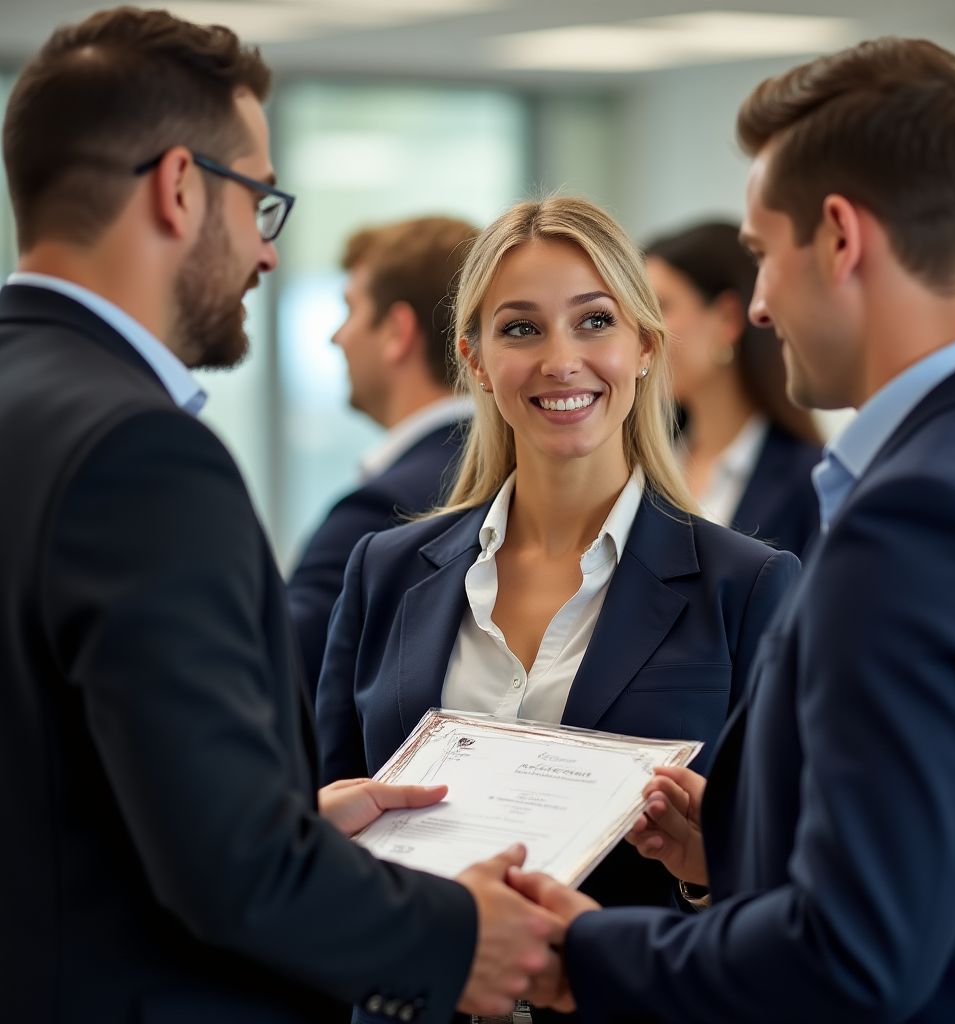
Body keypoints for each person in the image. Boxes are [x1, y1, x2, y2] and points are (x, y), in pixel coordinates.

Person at [0, 9, 561, 1023]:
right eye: (260, 202)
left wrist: (290, 821)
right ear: (179, 187)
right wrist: (458, 935)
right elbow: (232, 871)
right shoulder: (140, 452)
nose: (266, 258)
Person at [508, 36, 955, 1023]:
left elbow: (855, 954)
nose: (754, 305)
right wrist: (745, 841)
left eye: (758, 254)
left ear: (839, 237)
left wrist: (582, 948)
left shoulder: (919, 517)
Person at [314, 196, 800, 1018]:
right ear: (473, 358)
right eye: (521, 329)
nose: (561, 361)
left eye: (594, 321)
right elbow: (311, 831)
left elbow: (790, 896)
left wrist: (706, 864)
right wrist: (316, 831)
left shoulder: (746, 587)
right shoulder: (387, 572)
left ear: (645, 346)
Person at [288, 215, 477, 697]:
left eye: (350, 309)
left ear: (396, 331)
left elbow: (280, 672)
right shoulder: (528, 473)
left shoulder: (381, 512)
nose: (338, 336)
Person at [645, 221, 822, 555]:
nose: (640, 332)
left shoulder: (813, 483)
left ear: (727, 319)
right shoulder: (643, 466)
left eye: (660, 307)